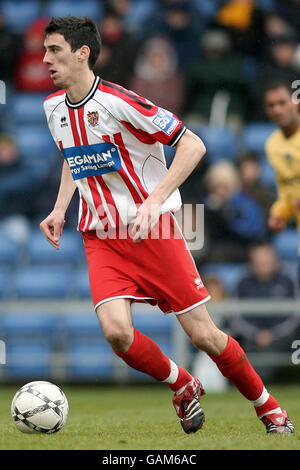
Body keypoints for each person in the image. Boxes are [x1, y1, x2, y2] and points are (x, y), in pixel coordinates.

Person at [40, 16, 294, 434]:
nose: (46, 59)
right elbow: (75, 157)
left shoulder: (121, 102)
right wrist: (59, 208)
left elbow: (194, 144)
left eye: (55, 51)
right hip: (101, 235)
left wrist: (154, 202)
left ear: (83, 53)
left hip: (153, 232)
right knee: (117, 333)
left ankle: (270, 409)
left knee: (205, 337)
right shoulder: (53, 108)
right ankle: (183, 384)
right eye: (46, 51)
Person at [264, 81, 300, 251]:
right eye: (271, 105)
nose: (277, 110)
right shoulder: (273, 145)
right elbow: (287, 191)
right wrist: (279, 214)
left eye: (282, 103)